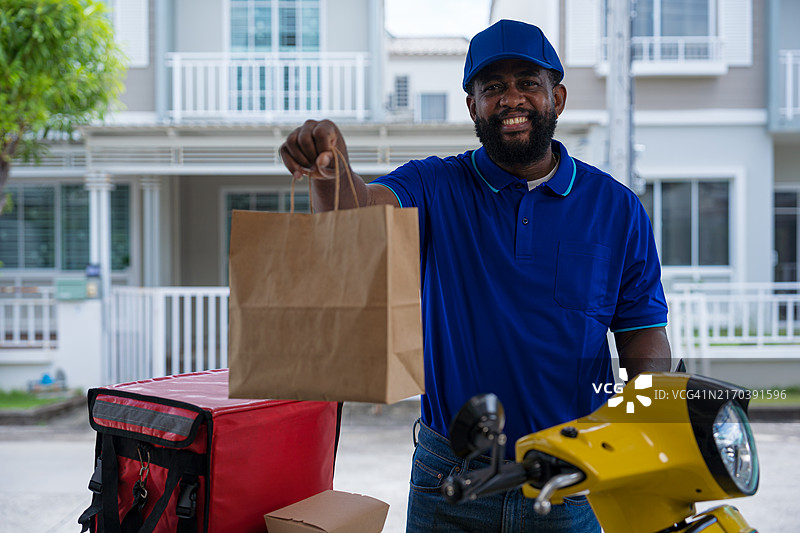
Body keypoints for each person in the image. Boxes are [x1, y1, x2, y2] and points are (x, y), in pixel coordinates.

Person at [280, 19, 670, 533]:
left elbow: (642, 334)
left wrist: (648, 427)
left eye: (527, 83)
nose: (511, 99)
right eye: (493, 87)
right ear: (473, 106)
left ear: (557, 98)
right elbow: (357, 217)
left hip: (570, 480)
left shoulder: (616, 208)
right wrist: (331, 176)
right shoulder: (434, 184)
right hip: (451, 481)